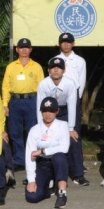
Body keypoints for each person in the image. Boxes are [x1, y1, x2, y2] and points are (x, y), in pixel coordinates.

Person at [36, 57, 88, 186]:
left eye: (59, 68)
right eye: (53, 68)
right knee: (44, 140)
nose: (56, 70)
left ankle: (78, 175)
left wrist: (71, 128)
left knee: (74, 140)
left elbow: (72, 106)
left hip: (65, 112)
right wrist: (41, 126)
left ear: (64, 71)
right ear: (48, 70)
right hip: (48, 112)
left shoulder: (70, 84)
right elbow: (39, 107)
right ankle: (41, 174)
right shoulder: (43, 84)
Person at [2, 38, 44, 171]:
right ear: (17, 49)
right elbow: (6, 86)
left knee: (33, 130)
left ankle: (33, 158)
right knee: (15, 131)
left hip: (32, 100)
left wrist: (41, 106)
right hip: (15, 101)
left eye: (26, 47)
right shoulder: (11, 67)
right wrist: (5, 104)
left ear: (30, 49)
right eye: (21, 47)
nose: (24, 50)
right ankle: (19, 160)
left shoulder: (36, 66)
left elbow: (42, 87)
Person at [24, 96, 70, 208]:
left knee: (59, 157)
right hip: (42, 163)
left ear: (57, 111)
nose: (48, 114)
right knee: (32, 197)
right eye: (44, 111)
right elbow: (30, 155)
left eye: (51, 111)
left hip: (58, 162)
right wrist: (31, 180)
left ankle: (62, 193)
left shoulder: (63, 125)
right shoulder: (34, 130)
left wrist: (43, 151)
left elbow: (64, 147)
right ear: (41, 112)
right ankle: (48, 187)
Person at [56, 32, 89, 184]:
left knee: (74, 135)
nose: (66, 44)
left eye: (68, 42)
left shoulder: (80, 60)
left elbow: (81, 81)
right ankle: (56, 172)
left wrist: (76, 98)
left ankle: (78, 173)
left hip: (73, 98)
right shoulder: (55, 60)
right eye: (63, 42)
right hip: (57, 99)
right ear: (59, 44)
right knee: (56, 135)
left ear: (73, 44)